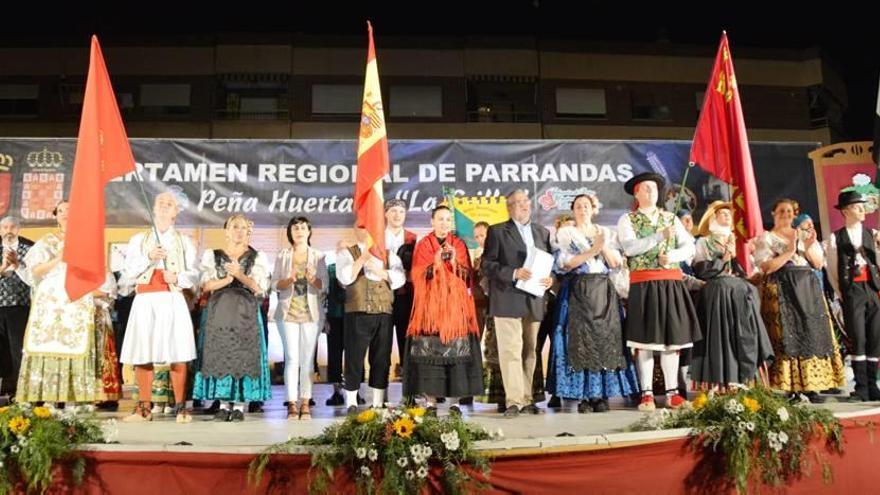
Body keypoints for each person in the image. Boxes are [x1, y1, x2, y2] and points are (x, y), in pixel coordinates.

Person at [617, 173, 701, 411]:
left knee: (671, 341)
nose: (651, 192)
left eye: (653, 188)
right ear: (637, 193)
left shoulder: (670, 218)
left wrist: (672, 256)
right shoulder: (628, 219)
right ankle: (647, 394)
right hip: (644, 284)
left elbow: (689, 246)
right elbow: (631, 248)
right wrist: (659, 237)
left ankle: (672, 392)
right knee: (645, 342)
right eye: (645, 188)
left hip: (671, 282)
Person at [548, 194, 640, 412]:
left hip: (603, 293)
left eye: (586, 206)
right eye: (578, 206)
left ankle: (600, 395)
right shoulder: (566, 234)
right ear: (573, 210)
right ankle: (582, 396)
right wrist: (593, 250)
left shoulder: (605, 233)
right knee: (579, 344)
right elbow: (566, 264)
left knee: (604, 342)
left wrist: (603, 245)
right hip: (577, 291)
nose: (583, 209)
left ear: (594, 209)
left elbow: (616, 263)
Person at [755, 198, 845, 402]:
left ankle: (813, 385)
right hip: (781, 290)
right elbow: (766, 267)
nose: (786, 214)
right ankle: (791, 387)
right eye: (781, 211)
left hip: (807, 289)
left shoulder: (803, 236)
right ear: (773, 214)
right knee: (787, 337)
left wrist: (809, 245)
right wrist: (788, 252)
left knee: (812, 333)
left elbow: (818, 263)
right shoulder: (767, 238)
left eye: (790, 211)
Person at [119, 192, 198, 422]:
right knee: (143, 351)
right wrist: (148, 256)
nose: (164, 207)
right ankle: (144, 407)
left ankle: (181, 407)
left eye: (169, 204)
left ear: (176, 212)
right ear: (153, 209)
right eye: (160, 203)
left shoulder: (184, 242)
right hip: (145, 300)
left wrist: (178, 277)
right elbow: (128, 272)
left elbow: (194, 275)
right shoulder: (138, 240)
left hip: (171, 298)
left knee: (177, 351)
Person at [15, 201, 98, 407]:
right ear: (55, 215)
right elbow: (35, 271)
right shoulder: (46, 241)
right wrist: (59, 258)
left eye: (69, 210)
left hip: (76, 296)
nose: (65, 214)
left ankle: (74, 399)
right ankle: (48, 396)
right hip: (51, 298)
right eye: (60, 211)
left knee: (74, 342)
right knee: (49, 343)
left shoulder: (86, 239)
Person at [403, 206, 483, 414]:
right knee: (429, 357)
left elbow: (468, 278)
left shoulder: (458, 244)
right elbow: (417, 275)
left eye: (448, 219)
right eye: (440, 219)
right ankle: (430, 402)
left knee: (457, 356)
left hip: (455, 311)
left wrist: (455, 261)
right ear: (432, 221)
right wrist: (436, 263)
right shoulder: (423, 245)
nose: (444, 223)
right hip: (430, 311)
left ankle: (454, 403)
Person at [481, 189, 553, 417]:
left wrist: (552, 280)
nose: (523, 205)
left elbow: (550, 263)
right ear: (509, 207)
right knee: (510, 350)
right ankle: (514, 401)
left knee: (530, 351)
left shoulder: (542, 232)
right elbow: (487, 265)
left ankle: (527, 398)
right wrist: (513, 273)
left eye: (525, 201)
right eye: (517, 202)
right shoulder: (497, 231)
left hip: (534, 299)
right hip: (507, 299)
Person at [193, 214, 272, 422]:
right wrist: (228, 278)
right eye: (234, 227)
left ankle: (239, 405)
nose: (238, 230)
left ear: (248, 231)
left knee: (243, 355)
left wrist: (240, 275)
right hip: (219, 311)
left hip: (245, 311)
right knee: (221, 353)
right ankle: (223, 403)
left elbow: (259, 288)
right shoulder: (213, 255)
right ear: (226, 231)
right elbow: (205, 286)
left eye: (243, 227)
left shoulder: (257, 257)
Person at [689, 201, 773, 390]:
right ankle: (719, 382)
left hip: (738, 293)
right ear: (713, 218)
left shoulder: (739, 241)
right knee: (720, 337)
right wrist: (722, 260)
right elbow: (701, 270)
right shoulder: (704, 242)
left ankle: (746, 380)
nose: (727, 216)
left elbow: (746, 271)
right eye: (723, 213)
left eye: (729, 213)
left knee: (744, 332)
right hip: (717, 294)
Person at [336, 225, 405, 413]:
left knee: (381, 358)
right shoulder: (347, 252)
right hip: (357, 311)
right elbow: (344, 278)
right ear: (355, 229)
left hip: (384, 312)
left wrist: (382, 272)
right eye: (361, 225)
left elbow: (400, 278)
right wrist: (363, 258)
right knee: (354, 357)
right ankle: (351, 400)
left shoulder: (389, 254)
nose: (366, 229)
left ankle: (377, 400)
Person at [825, 190, 880, 401]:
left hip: (872, 289)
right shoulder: (836, 238)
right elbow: (832, 269)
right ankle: (861, 386)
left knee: (875, 337)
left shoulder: (872, 234)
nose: (862, 210)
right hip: (852, 291)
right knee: (858, 338)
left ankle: (873, 385)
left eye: (862, 207)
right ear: (846, 211)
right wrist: (843, 292)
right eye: (857, 207)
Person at [272, 216, 328, 420]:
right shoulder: (283, 255)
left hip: (311, 314)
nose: (299, 231)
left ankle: (306, 401)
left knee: (307, 360)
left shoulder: (319, 256)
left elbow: (325, 286)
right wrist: (290, 279)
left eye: (303, 228)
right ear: (290, 232)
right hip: (288, 314)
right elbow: (274, 284)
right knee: (292, 359)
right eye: (295, 228)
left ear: (309, 231)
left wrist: (312, 278)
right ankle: (291, 403)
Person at [384, 199, 418, 382]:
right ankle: (381, 391)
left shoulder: (413, 237)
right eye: (393, 211)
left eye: (401, 212)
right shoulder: (377, 236)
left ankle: (410, 390)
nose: (397, 215)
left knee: (407, 342)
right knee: (383, 343)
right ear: (386, 214)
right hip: (383, 296)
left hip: (406, 296)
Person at [0, 216, 33, 399]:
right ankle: (3, 386)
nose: (8, 230)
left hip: (20, 306)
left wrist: (16, 265)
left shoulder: (29, 249)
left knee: (18, 347)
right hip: (0, 305)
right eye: (4, 227)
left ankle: (19, 389)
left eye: (12, 226)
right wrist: (3, 267)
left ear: (18, 229)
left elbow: (33, 276)